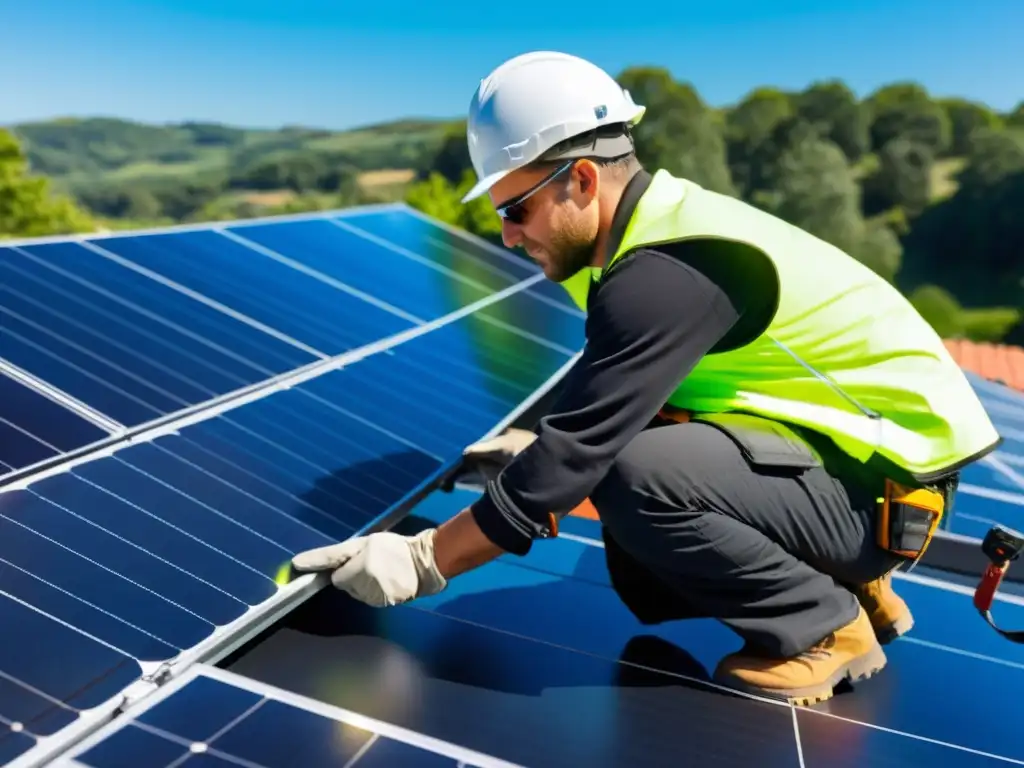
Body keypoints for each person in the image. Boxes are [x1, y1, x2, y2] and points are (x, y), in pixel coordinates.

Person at [291, 51, 1001, 705]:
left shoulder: (665, 270)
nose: (507, 234)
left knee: (631, 474)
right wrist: (529, 448)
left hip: (886, 495)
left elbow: (580, 455)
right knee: (627, 457)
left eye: (516, 208)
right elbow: (610, 393)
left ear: (583, 178)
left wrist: (423, 562)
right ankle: (850, 579)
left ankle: (822, 622)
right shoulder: (640, 236)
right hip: (861, 474)